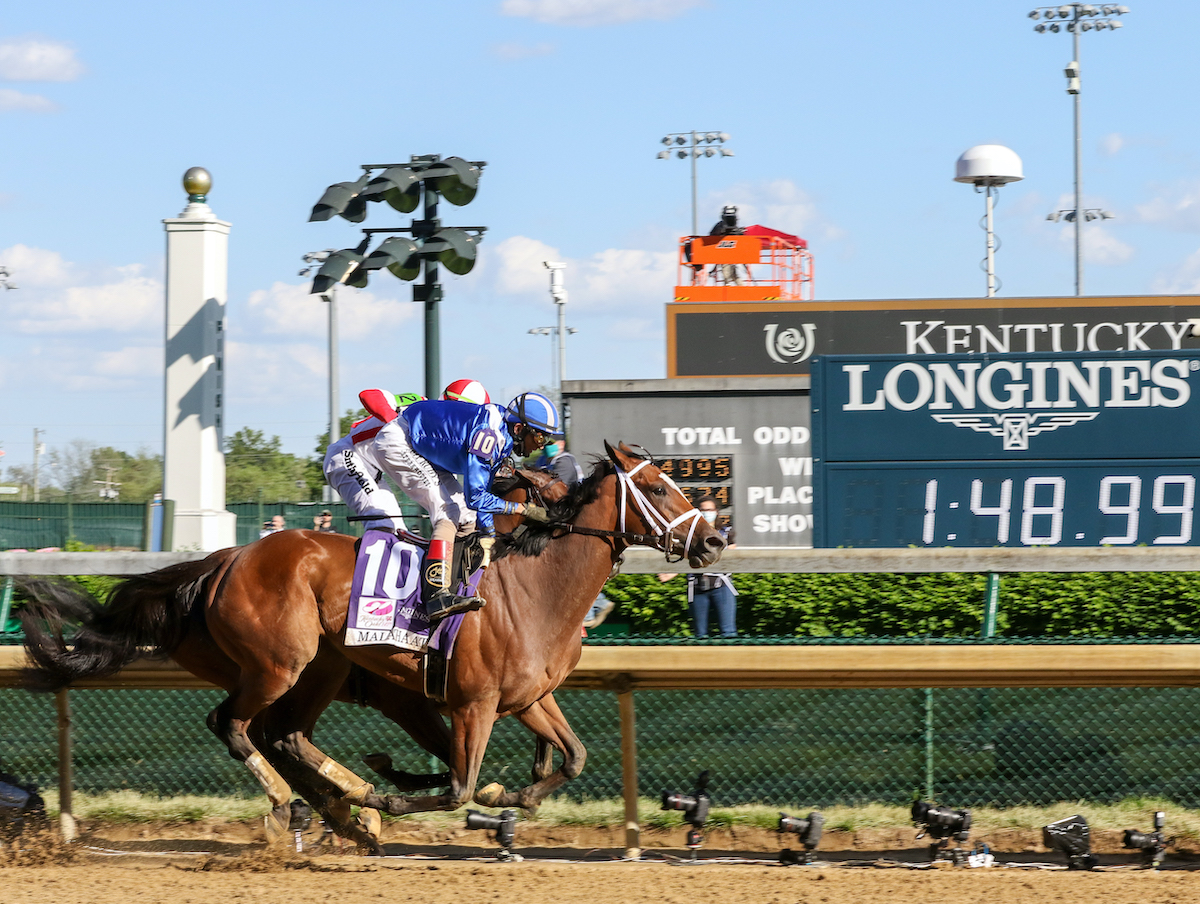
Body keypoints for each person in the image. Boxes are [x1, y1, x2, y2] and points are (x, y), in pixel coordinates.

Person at [360, 389, 561, 621]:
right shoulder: (490, 436)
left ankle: (455, 583)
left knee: (466, 517)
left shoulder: (502, 438)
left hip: (424, 449)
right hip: (401, 441)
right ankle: (436, 592)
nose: (541, 445)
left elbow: (481, 494)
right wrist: (521, 509)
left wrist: (488, 534)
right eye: (539, 437)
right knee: (447, 511)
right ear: (519, 429)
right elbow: (475, 497)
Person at [322, 381, 491, 534]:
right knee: (383, 524)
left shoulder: (445, 443)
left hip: (376, 469)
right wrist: (398, 427)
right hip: (347, 456)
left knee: (464, 513)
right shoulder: (418, 402)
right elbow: (369, 394)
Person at [659, 496, 737, 637]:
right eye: (702, 510)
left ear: (716, 512)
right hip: (697, 586)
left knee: (728, 632)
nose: (706, 512)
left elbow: (731, 557)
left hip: (721, 586)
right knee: (700, 635)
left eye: (709, 509)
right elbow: (685, 556)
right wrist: (674, 572)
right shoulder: (690, 536)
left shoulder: (726, 533)